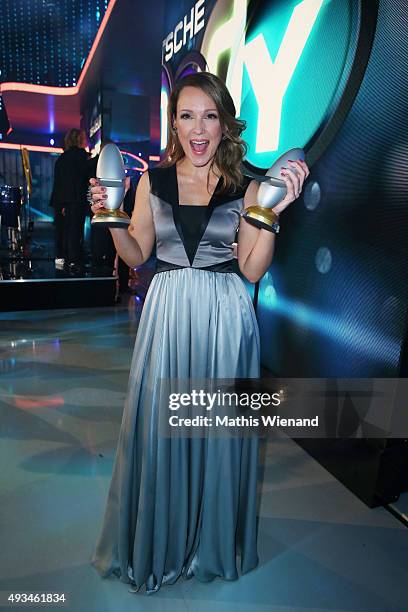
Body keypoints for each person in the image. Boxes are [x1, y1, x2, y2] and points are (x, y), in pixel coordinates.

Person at [89, 72, 309, 594]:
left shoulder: (247, 187)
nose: (198, 129)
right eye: (187, 116)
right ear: (174, 124)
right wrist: (110, 215)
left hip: (226, 322)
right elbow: (138, 255)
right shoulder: (153, 182)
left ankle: (207, 544)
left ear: (225, 124)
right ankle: (163, 543)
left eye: (209, 116)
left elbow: (251, 270)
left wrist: (272, 213)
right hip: (167, 319)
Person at [50, 128, 89, 271]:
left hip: (60, 200)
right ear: (79, 139)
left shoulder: (62, 158)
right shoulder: (81, 156)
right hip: (76, 199)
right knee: (75, 231)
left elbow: (58, 182)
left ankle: (62, 260)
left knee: (62, 231)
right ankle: (74, 262)